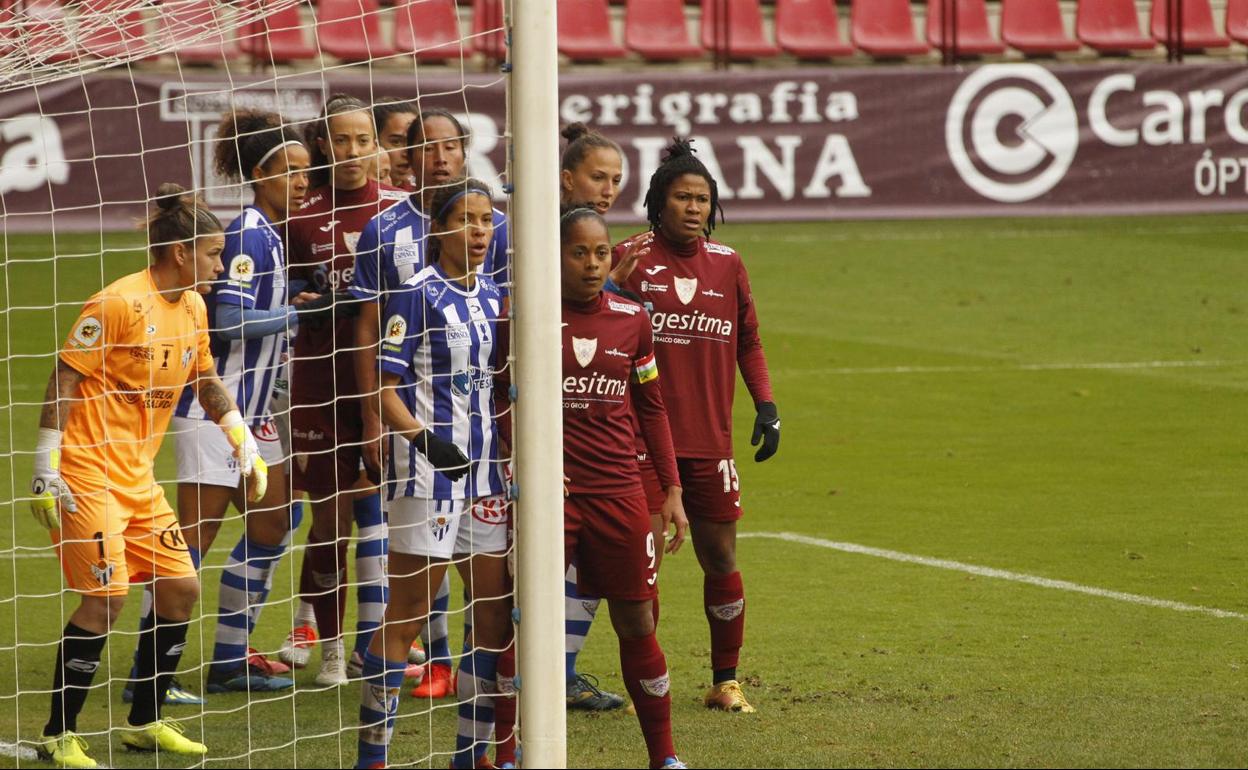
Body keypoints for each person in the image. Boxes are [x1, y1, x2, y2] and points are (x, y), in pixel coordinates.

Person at [29, 183, 267, 768]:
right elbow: (64, 377)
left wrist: (242, 438)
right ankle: (59, 734)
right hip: (87, 475)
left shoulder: (193, 306)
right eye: (214, 253)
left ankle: (144, 722)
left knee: (182, 589)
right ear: (182, 252)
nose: (222, 263)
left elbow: (204, 378)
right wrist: (44, 466)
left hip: (139, 480)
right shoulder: (115, 303)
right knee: (105, 598)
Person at [614, 138, 781, 714]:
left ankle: (726, 680)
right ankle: (647, 684)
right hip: (640, 441)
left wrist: (766, 404)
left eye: (702, 199)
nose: (693, 208)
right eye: (682, 197)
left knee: (721, 557)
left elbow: (750, 340)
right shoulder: (628, 258)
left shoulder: (728, 262)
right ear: (658, 203)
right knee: (645, 564)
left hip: (710, 440)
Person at [350, 107, 510, 700]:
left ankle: (472, 752)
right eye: (465, 220)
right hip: (427, 472)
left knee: (493, 614)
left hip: (488, 473)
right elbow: (383, 385)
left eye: (485, 221)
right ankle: (373, 753)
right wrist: (420, 439)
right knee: (410, 610)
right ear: (437, 230)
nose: (476, 231)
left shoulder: (495, 293)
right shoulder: (414, 295)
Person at [166, 109, 324, 694]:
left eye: (308, 171)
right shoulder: (250, 232)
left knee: (277, 521)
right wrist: (301, 313)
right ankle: (149, 675)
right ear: (262, 174)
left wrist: (296, 304)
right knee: (188, 547)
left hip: (254, 417)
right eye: (292, 171)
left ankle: (231, 660)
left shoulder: (273, 234)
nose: (304, 181)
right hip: (213, 411)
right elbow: (228, 323)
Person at [282, 94, 412, 686]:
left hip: (382, 383)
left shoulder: (399, 212)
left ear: (378, 145)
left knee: (380, 516)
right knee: (328, 522)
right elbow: (272, 293)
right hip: (315, 382)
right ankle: (330, 645)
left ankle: (385, 641)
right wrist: (297, 303)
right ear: (323, 146)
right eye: (342, 140)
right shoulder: (299, 214)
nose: (354, 151)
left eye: (364, 140)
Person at [554, 204, 688, 769]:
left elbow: (652, 407)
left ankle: (664, 757)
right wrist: (520, 460)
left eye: (600, 252)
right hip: (551, 496)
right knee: (519, 621)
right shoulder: (524, 316)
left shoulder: (633, 319)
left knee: (636, 619)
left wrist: (671, 491)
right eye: (578, 252)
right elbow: (500, 400)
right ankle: (507, 753)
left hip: (620, 492)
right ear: (555, 255)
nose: (590, 264)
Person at [373, 98, 418, 190]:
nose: (407, 153)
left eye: (412, 142)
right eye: (396, 142)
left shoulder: (421, 195)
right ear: (374, 142)